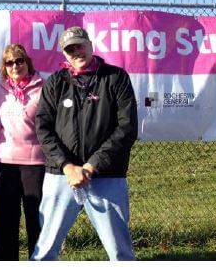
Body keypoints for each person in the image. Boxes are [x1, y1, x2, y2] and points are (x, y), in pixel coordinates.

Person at [31, 26, 138, 261]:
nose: (76, 51)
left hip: (105, 175)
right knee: (45, 251)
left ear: (91, 45)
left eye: (80, 45)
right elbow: (43, 128)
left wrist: (91, 166)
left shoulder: (116, 78)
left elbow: (126, 128)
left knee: (120, 252)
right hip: (61, 177)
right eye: (70, 49)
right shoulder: (56, 82)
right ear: (64, 53)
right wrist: (67, 166)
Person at [0, 44, 45, 260]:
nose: (15, 66)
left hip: (34, 162)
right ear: (4, 67)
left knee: (36, 219)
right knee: (5, 220)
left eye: (19, 60)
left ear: (27, 62)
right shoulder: (1, 89)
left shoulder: (42, 87)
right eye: (10, 62)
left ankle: (40, 259)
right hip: (4, 161)